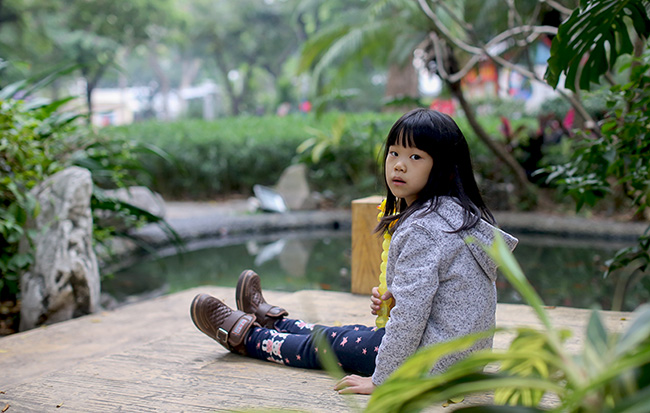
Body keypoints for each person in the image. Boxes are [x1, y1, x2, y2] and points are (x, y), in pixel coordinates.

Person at [190, 108, 518, 395]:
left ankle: (246, 337)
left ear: (445, 169)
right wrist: (395, 298)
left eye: (415, 157)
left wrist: (383, 380)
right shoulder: (456, 216)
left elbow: (409, 319)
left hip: (429, 365)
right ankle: (274, 322)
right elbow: (443, 297)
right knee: (349, 334)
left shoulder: (423, 229)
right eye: (394, 153)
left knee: (327, 347)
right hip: (460, 361)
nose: (399, 166)